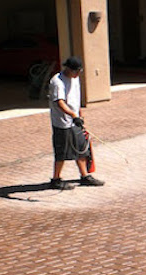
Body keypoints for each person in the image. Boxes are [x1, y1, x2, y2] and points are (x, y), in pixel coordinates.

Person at [48, 56, 104, 190]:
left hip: (75, 120)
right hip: (62, 122)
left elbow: (75, 98)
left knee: (81, 148)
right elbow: (59, 102)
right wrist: (73, 115)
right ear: (68, 69)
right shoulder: (57, 81)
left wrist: (79, 115)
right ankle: (56, 179)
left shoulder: (75, 78)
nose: (78, 74)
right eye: (76, 71)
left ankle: (84, 176)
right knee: (62, 151)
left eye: (80, 71)